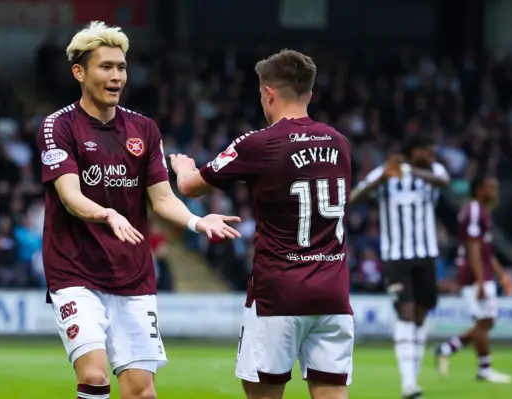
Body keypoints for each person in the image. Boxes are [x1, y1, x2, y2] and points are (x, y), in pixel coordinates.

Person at [36, 21, 241, 399]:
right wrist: (107, 214)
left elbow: (162, 200)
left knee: (141, 391)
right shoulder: (58, 126)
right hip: (75, 271)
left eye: (122, 67)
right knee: (95, 377)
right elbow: (69, 195)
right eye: (106, 67)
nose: (117, 76)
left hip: (132, 274)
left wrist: (197, 222)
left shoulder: (144, 129)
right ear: (79, 72)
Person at [171, 49, 353, 399]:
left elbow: (190, 188)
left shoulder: (260, 143)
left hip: (279, 293)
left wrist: (182, 167)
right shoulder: (340, 143)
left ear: (268, 92)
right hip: (333, 292)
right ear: (309, 94)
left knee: (264, 393)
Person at [349, 135, 450, 399]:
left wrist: (407, 169)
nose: (431, 156)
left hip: (426, 255)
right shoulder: (386, 172)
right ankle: (408, 383)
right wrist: (383, 177)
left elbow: (444, 181)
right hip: (396, 257)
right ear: (414, 150)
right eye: (427, 151)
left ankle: (412, 379)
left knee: (419, 316)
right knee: (405, 313)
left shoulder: (432, 171)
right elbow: (353, 198)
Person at [434, 175, 512, 383]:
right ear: (479, 189)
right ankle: (484, 369)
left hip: (482, 272)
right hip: (473, 274)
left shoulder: (482, 211)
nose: (495, 191)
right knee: (483, 321)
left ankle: (447, 348)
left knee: (487, 321)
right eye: (491, 187)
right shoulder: (474, 210)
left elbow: (486, 250)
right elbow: (473, 248)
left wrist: (500, 273)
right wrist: (479, 281)